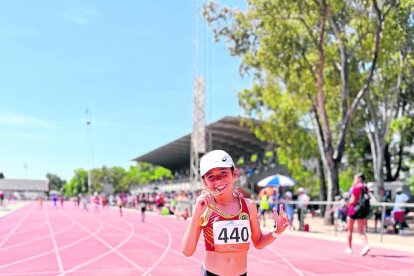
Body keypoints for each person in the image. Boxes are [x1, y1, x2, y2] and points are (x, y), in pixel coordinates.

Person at [182, 150, 289, 276]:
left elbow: (259, 243)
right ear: (204, 182)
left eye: (223, 173)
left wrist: (277, 232)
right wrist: (196, 214)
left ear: (234, 174)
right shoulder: (204, 208)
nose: (218, 180)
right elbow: (187, 251)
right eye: (211, 177)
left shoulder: (248, 206)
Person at [345, 173, 370, 256]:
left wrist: (346, 203)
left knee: (350, 230)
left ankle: (349, 248)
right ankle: (366, 245)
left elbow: (353, 201)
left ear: (359, 179)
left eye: (355, 178)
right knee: (361, 231)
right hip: (362, 211)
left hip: (353, 210)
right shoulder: (365, 188)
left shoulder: (356, 189)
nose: (354, 180)